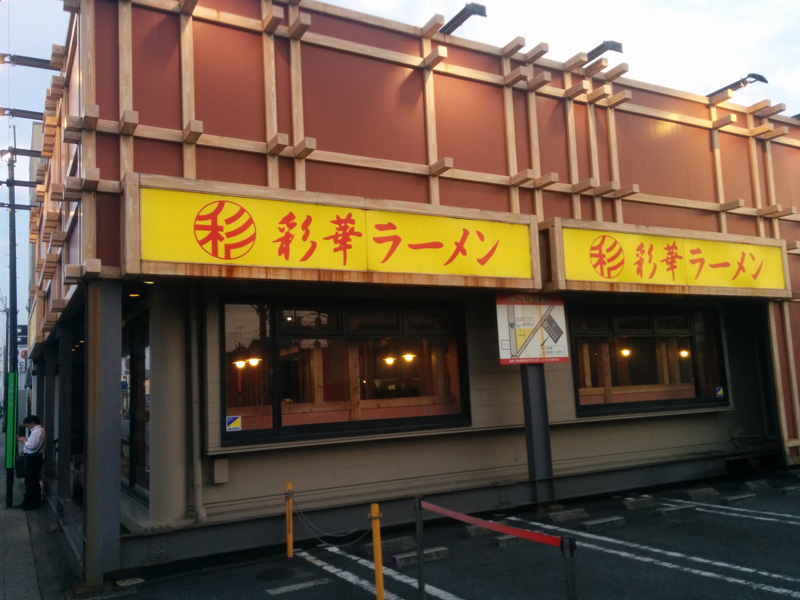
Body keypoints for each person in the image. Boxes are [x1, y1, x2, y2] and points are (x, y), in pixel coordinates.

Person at [16, 415, 46, 510]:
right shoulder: (38, 431)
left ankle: (34, 502)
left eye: (28, 425)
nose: (27, 427)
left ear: (33, 423)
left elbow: (32, 446)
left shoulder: (37, 431)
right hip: (34, 458)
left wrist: (24, 441)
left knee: (32, 481)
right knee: (30, 481)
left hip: (33, 459)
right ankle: (28, 501)